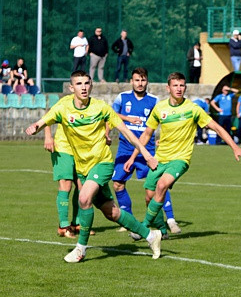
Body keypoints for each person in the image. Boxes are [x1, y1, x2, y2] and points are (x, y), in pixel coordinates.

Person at [25, 71, 163, 263]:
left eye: (86, 83)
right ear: (71, 88)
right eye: (79, 83)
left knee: (83, 197)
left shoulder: (101, 108)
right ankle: (150, 236)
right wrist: (35, 127)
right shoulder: (64, 106)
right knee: (111, 212)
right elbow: (44, 120)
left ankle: (80, 249)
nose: (83, 87)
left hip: (102, 163)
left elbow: (127, 132)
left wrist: (146, 154)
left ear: (91, 86)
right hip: (83, 168)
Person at [134, 72, 241, 244]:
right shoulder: (159, 108)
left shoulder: (193, 109)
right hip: (160, 159)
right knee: (148, 196)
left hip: (181, 159)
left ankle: (143, 229)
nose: (179, 88)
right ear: (168, 88)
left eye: (182, 85)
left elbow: (216, 127)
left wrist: (235, 148)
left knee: (161, 186)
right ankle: (162, 230)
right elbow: (146, 134)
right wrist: (133, 157)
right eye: (175, 85)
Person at [112, 67, 182, 237]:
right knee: (117, 184)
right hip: (125, 148)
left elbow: (163, 122)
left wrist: (162, 139)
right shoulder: (122, 98)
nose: (140, 83)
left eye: (143, 80)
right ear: (131, 81)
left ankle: (170, 220)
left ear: (147, 81)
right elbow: (111, 114)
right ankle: (127, 219)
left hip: (147, 150)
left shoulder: (154, 101)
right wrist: (126, 119)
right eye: (137, 80)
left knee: (158, 186)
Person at [42, 120, 79, 238]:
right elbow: (46, 119)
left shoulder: (91, 106)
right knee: (66, 185)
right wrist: (48, 137)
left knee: (82, 185)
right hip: (62, 148)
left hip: (81, 150)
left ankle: (76, 223)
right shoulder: (65, 103)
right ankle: (63, 226)